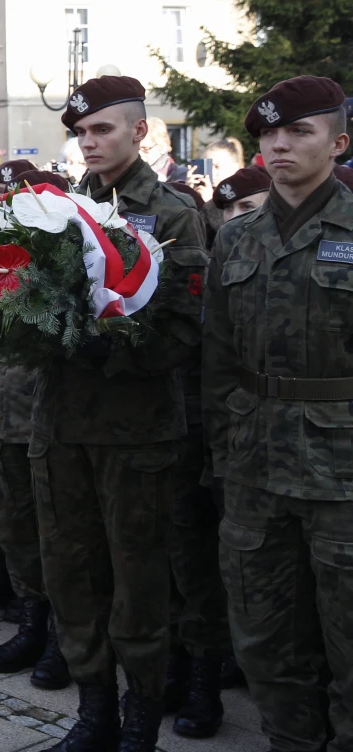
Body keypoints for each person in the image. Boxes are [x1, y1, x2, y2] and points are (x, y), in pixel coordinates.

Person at [34, 76, 208, 752]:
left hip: (136, 428)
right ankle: (93, 710)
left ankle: (141, 718)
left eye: (102, 129)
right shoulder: (58, 210)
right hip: (60, 425)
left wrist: (108, 352)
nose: (90, 141)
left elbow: (185, 326)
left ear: (139, 131)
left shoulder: (171, 214)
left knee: (137, 574)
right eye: (81, 132)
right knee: (70, 571)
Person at [203, 74, 353, 752]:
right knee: (265, 640)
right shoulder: (236, 241)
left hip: (343, 478)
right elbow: (217, 359)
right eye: (269, 133)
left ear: (339, 141)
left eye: (300, 131)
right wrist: (227, 450)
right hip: (256, 470)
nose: (281, 144)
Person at [0, 168, 72, 690]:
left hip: (42, 418)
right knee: (11, 526)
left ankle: (62, 636)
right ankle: (30, 620)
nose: (1, 204)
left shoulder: (67, 254)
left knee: (56, 535)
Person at [140, 117, 187, 183]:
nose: (139, 153)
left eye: (146, 149)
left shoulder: (181, 176)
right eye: (136, 149)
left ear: (162, 147)